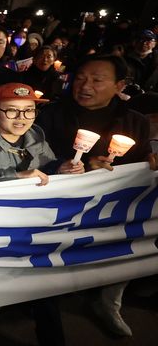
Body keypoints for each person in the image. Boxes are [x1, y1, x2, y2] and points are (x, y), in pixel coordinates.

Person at [36, 53, 158, 338]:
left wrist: (149, 162)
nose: (85, 86)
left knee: (123, 251)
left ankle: (109, 302)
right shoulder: (52, 114)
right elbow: (39, 159)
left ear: (119, 85)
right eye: (79, 78)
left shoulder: (135, 122)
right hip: (61, 208)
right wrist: (74, 166)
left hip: (111, 208)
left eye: (97, 80)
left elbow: (139, 162)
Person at [0, 82, 83, 346]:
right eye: (12, 111)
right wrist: (16, 177)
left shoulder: (37, 136)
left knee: (29, 293)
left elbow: (48, 168)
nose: (21, 118)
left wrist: (64, 167)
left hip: (29, 233)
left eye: (29, 111)